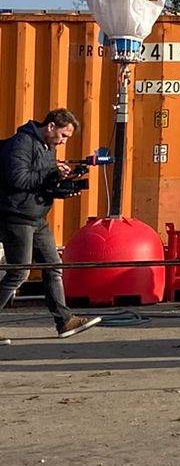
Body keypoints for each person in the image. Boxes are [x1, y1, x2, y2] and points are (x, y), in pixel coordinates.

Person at [0, 108, 102, 343]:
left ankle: (64, 320)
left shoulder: (48, 147)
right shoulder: (22, 143)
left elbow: (41, 179)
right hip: (16, 217)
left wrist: (61, 179)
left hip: (37, 217)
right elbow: (18, 179)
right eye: (63, 136)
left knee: (53, 266)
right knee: (19, 272)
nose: (64, 141)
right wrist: (51, 171)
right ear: (51, 126)